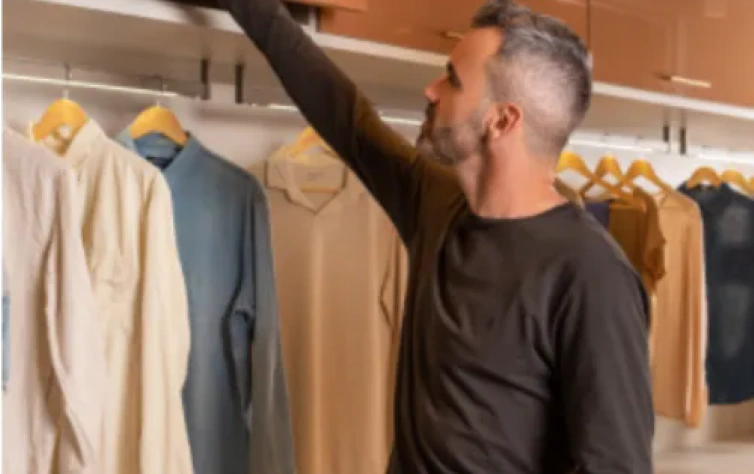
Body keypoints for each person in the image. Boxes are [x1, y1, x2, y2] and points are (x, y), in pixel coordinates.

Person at [220, 0, 654, 472]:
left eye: (452, 79)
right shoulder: (436, 203)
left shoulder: (592, 275)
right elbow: (346, 118)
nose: (430, 90)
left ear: (502, 121)